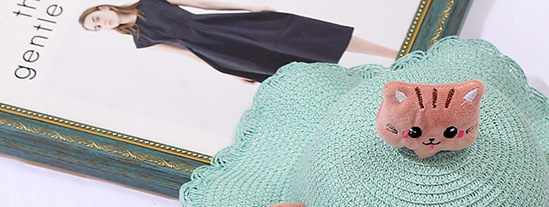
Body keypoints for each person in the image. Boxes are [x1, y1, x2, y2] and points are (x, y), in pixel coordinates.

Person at [79, 0, 398, 83]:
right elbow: (186, 54)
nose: (101, 24)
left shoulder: (149, 2)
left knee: (302, 33)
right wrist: (230, 70)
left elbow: (201, 3)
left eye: (96, 19)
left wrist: (247, 7)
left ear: (103, 8)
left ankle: (393, 53)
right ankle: (370, 79)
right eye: (97, 28)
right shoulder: (140, 39)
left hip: (224, 26)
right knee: (285, 66)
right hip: (215, 50)